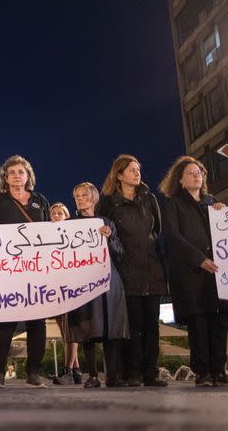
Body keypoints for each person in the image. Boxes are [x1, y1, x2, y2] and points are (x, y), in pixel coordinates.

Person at [97, 154, 167, 387]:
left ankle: (151, 373)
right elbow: (103, 233)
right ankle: (133, 372)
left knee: (152, 325)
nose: (137, 173)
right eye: (131, 170)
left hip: (151, 268)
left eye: (138, 169)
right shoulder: (107, 202)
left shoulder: (149, 199)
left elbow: (157, 230)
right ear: (119, 175)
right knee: (133, 325)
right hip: (125, 270)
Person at [0, 155, 50, 387]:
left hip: (36, 270)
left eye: (20, 172)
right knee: (3, 324)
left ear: (28, 176)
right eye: (11, 173)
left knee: (37, 323)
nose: (16, 176)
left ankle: (34, 372)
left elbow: (52, 233)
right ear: (5, 178)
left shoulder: (40, 200)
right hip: (7, 271)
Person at [159, 156, 227, 387]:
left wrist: (222, 213)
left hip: (215, 274)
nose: (197, 175)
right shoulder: (173, 205)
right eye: (190, 172)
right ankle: (203, 372)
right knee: (198, 323)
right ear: (180, 179)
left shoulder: (212, 202)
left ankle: (219, 369)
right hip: (190, 274)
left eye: (199, 172)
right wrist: (199, 259)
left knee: (218, 322)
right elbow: (173, 237)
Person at [64, 182, 130, 388]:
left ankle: (112, 375)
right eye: (77, 195)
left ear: (93, 198)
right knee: (87, 329)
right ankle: (92, 376)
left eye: (84, 195)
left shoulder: (106, 222)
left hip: (109, 282)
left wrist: (110, 238)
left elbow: (120, 253)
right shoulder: (70, 225)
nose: (80, 198)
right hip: (83, 282)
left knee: (110, 329)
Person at [48, 202, 82, 386]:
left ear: (66, 217)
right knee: (64, 331)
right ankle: (76, 370)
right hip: (55, 286)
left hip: (71, 287)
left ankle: (68, 369)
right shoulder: (46, 236)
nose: (56, 215)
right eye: (53, 213)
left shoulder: (73, 234)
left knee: (71, 330)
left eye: (60, 213)